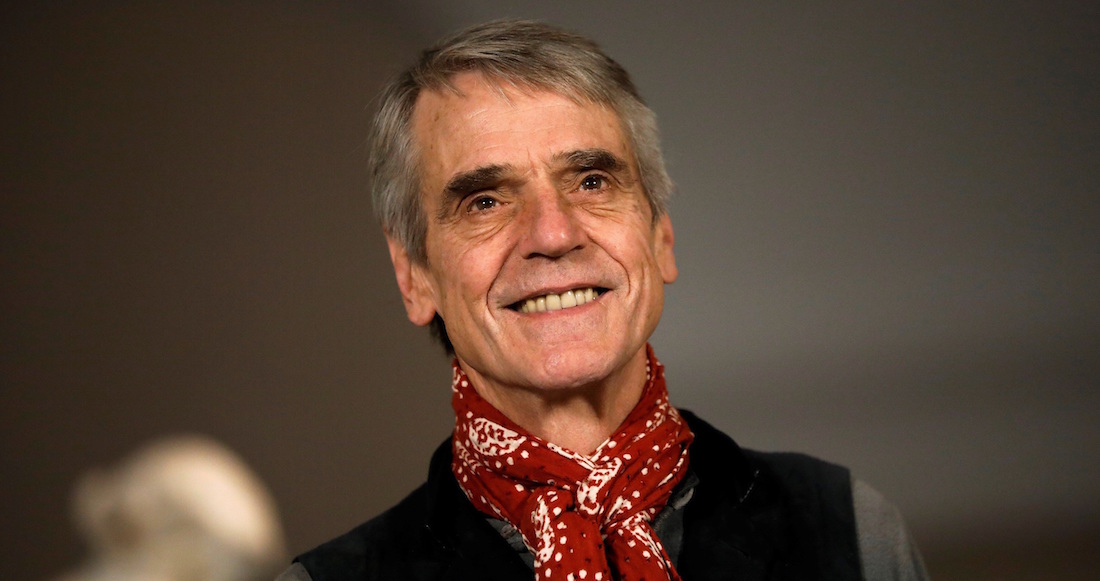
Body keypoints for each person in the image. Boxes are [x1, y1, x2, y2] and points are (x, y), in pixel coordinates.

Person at [278, 19, 928, 581]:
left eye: (591, 181)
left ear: (660, 233)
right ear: (413, 275)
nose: (553, 234)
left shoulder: (851, 533)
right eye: (485, 201)